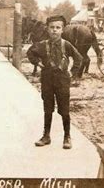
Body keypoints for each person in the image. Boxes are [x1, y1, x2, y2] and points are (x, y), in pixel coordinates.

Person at [27, 15, 83, 149]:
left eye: (58, 27)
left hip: (63, 80)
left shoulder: (66, 45)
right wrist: (38, 64)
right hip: (47, 80)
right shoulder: (42, 45)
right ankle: (46, 136)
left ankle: (67, 137)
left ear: (62, 30)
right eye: (52, 27)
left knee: (64, 110)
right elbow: (30, 53)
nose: (54, 30)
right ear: (47, 29)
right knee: (48, 108)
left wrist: (72, 72)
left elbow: (79, 58)